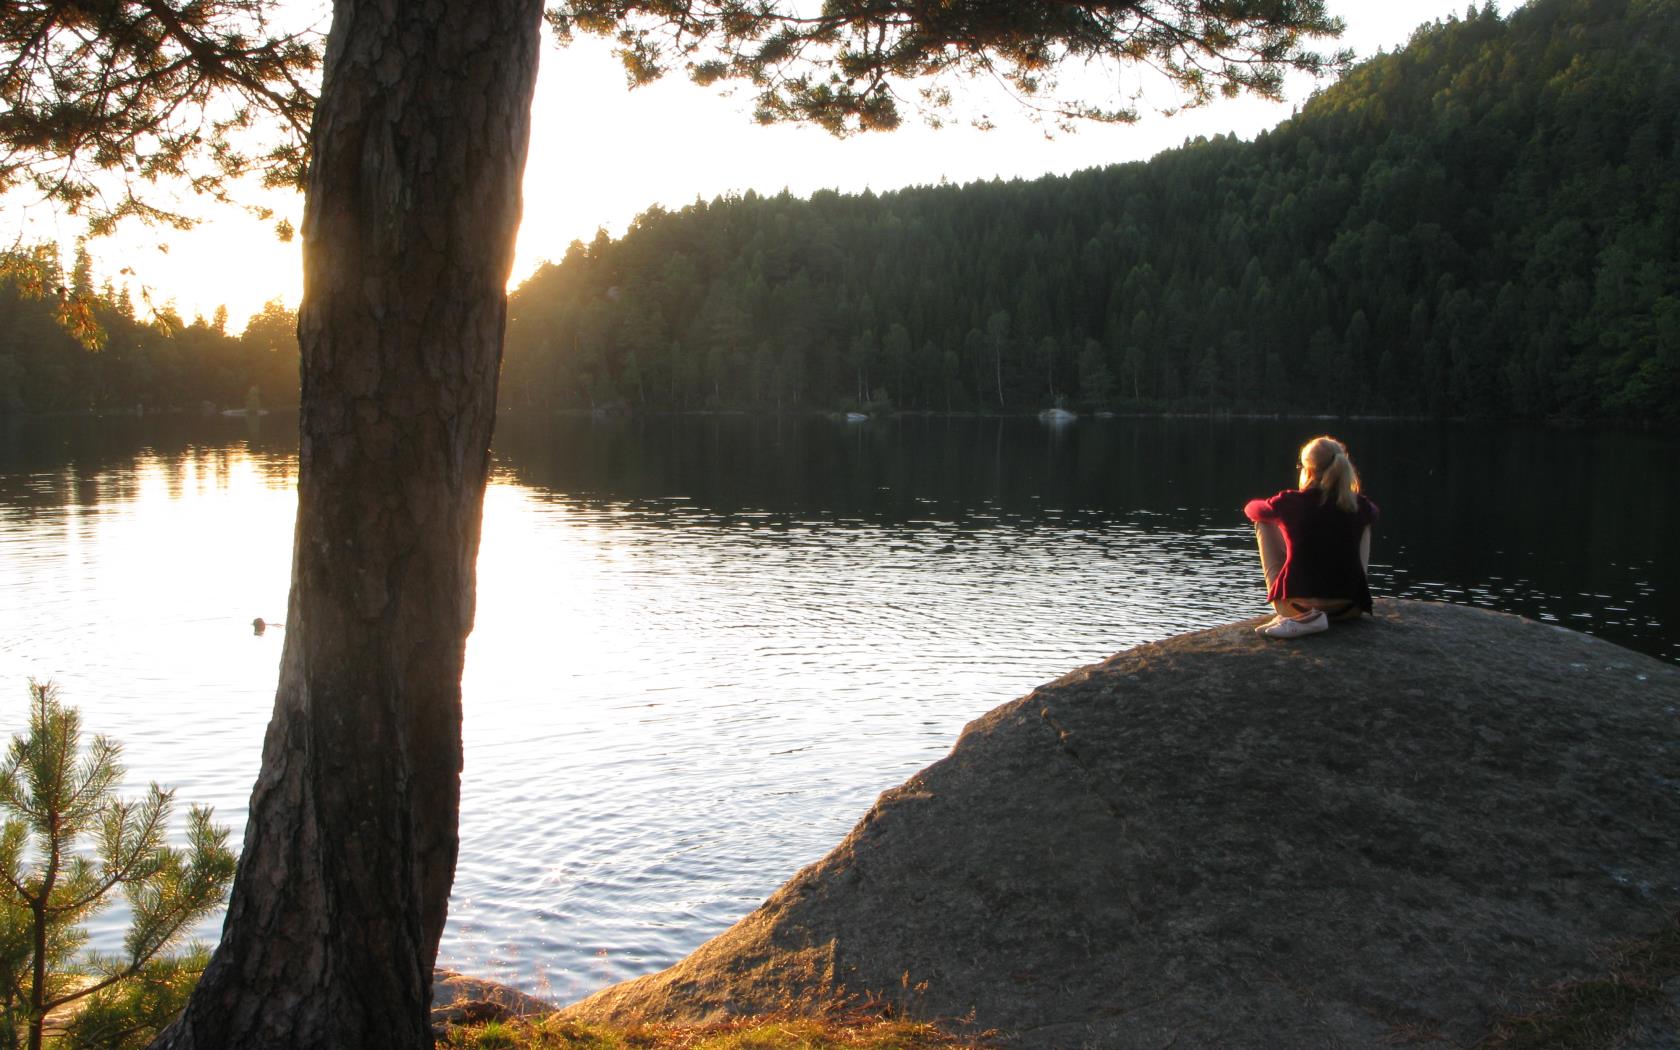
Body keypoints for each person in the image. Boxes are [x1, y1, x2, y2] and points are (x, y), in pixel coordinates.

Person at [1243, 435, 1378, 639]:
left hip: (1294, 607)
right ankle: (1353, 588)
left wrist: (1279, 514)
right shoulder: (1360, 504)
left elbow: (1252, 510)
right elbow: (1375, 512)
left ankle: (1306, 617)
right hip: (1350, 608)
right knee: (1365, 521)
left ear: (1309, 470)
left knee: (1263, 521)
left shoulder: (1289, 501)